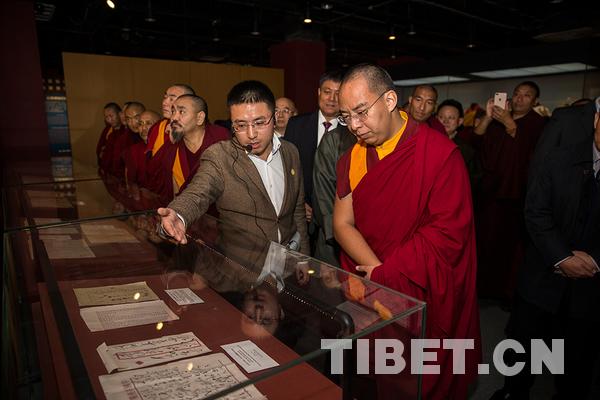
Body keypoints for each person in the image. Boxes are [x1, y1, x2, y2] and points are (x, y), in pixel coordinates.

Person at [332, 64, 480, 399]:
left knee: (416, 378)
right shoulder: (352, 157)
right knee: (374, 375)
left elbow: (448, 234)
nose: (354, 125)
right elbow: (341, 223)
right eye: (346, 116)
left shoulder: (439, 154)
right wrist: (378, 274)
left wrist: (390, 273)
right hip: (370, 281)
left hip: (418, 286)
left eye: (361, 112)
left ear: (389, 100)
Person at [490, 98, 600, 400]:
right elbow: (536, 211)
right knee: (524, 347)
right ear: (595, 120)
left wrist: (595, 260)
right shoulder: (559, 159)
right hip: (542, 271)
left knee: (578, 358)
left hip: (591, 282)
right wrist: (562, 256)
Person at [158, 80, 309, 255]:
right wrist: (179, 215)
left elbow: (298, 212)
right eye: (241, 125)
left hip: (288, 260)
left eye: (260, 123)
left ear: (274, 118)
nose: (251, 134)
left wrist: (304, 259)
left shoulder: (290, 152)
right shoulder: (220, 156)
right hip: (241, 264)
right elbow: (197, 193)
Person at [474, 81, 546, 302]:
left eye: (526, 95)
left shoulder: (538, 124)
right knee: (484, 242)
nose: (519, 99)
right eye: (517, 94)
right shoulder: (497, 120)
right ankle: (481, 289)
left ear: (535, 101)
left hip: (516, 196)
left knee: (508, 247)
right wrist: (489, 117)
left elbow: (528, 156)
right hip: (490, 192)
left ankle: (504, 293)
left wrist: (509, 123)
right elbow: (476, 141)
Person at [284, 70, 343, 223]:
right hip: (301, 214)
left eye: (338, 93)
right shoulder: (296, 125)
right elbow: (286, 168)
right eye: (327, 92)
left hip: (337, 215)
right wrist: (298, 204)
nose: (332, 99)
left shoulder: (352, 131)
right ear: (318, 92)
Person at [156, 94, 229, 200]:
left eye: (182, 112)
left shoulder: (221, 139)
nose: (174, 118)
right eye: (173, 111)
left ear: (199, 118)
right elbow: (175, 194)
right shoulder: (172, 149)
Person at [312, 124, 355, 266]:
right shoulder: (333, 139)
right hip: (333, 241)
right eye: (346, 116)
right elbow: (323, 193)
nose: (354, 123)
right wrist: (340, 235)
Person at [145, 84, 196, 197]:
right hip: (161, 197)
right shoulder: (157, 128)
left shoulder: (200, 130)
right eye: (165, 97)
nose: (164, 102)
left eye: (172, 99)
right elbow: (153, 166)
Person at [436, 99, 482, 191]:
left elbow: (474, 179)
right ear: (436, 119)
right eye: (441, 117)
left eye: (451, 118)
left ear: (460, 121)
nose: (445, 121)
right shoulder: (427, 143)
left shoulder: (466, 149)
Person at [125, 110, 160, 190]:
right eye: (140, 124)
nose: (143, 128)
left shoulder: (166, 150)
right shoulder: (133, 150)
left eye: (148, 123)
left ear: (159, 126)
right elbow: (130, 182)